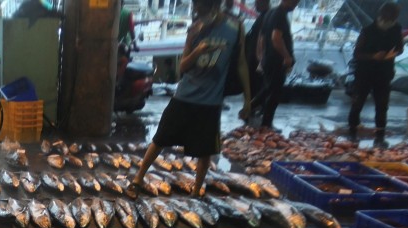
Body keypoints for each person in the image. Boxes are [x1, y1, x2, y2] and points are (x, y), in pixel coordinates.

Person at [127, 0, 250, 198]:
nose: (198, 13)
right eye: (196, 9)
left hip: (211, 101)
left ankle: (196, 190)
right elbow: (182, 67)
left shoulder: (236, 28)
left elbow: (242, 63)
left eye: (201, 9)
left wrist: (248, 99)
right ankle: (138, 179)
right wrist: (198, 51)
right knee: (160, 138)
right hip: (184, 96)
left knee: (206, 150)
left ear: (214, 6)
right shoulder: (195, 29)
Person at [347, 2, 403, 147]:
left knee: (382, 105)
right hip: (364, 73)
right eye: (389, 17)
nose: (391, 20)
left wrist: (392, 54)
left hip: (384, 73)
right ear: (382, 15)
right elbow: (357, 53)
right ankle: (352, 132)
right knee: (358, 102)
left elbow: (400, 48)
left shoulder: (397, 29)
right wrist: (373, 56)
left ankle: (380, 136)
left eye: (393, 18)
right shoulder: (367, 31)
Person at [256, 0, 300, 131]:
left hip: (268, 59)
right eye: (294, 2)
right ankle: (266, 124)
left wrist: (261, 56)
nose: (295, 6)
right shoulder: (280, 15)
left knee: (267, 89)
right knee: (274, 94)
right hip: (276, 61)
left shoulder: (270, 13)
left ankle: (250, 108)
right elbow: (276, 38)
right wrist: (287, 57)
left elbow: (262, 37)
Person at [244, 0, 270, 119]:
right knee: (255, 85)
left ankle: (255, 108)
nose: (255, 5)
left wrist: (259, 58)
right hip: (254, 59)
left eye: (257, 2)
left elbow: (262, 40)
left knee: (257, 86)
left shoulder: (266, 17)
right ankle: (254, 108)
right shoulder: (264, 17)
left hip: (257, 60)